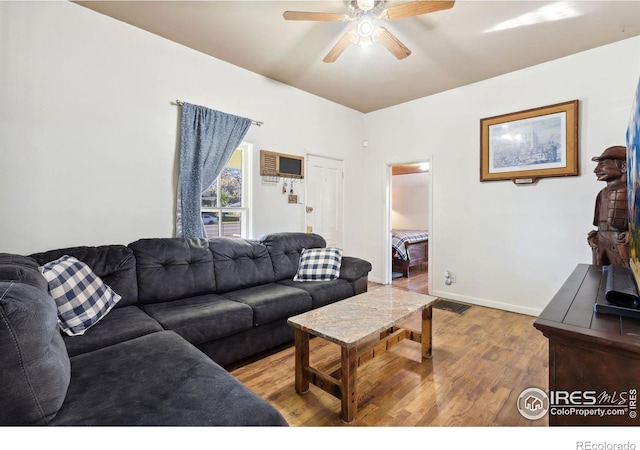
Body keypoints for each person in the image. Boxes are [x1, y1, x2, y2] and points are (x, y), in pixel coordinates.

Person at [588, 145, 630, 266]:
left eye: (603, 164)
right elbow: (599, 222)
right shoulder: (602, 194)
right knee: (598, 277)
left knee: (624, 279)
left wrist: (631, 235)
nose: (596, 170)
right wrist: (595, 236)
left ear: (623, 166)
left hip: (620, 243)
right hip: (601, 242)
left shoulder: (632, 192)